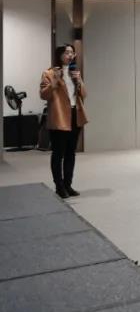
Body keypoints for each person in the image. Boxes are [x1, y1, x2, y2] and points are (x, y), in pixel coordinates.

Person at [40, 44, 87, 199]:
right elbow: (43, 95)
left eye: (72, 53)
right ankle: (59, 187)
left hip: (75, 115)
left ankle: (68, 185)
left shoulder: (75, 73)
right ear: (59, 54)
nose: (70, 55)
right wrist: (54, 81)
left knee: (70, 153)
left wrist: (79, 81)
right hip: (59, 117)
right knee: (58, 153)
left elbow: (84, 94)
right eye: (67, 52)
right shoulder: (49, 73)